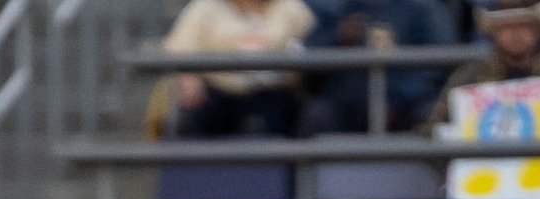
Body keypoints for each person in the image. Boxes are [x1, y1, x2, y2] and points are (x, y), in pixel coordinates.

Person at [162, 0, 316, 134]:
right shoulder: (206, 6)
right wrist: (190, 80)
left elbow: (310, 46)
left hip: (272, 91)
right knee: (192, 116)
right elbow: (180, 49)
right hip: (217, 89)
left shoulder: (289, 6)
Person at [300, 0, 455, 131]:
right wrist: (338, 38)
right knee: (316, 114)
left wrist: (396, 101)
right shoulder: (339, 8)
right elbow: (311, 60)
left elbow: (438, 67)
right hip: (349, 104)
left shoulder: (423, 8)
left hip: (408, 104)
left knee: (430, 114)